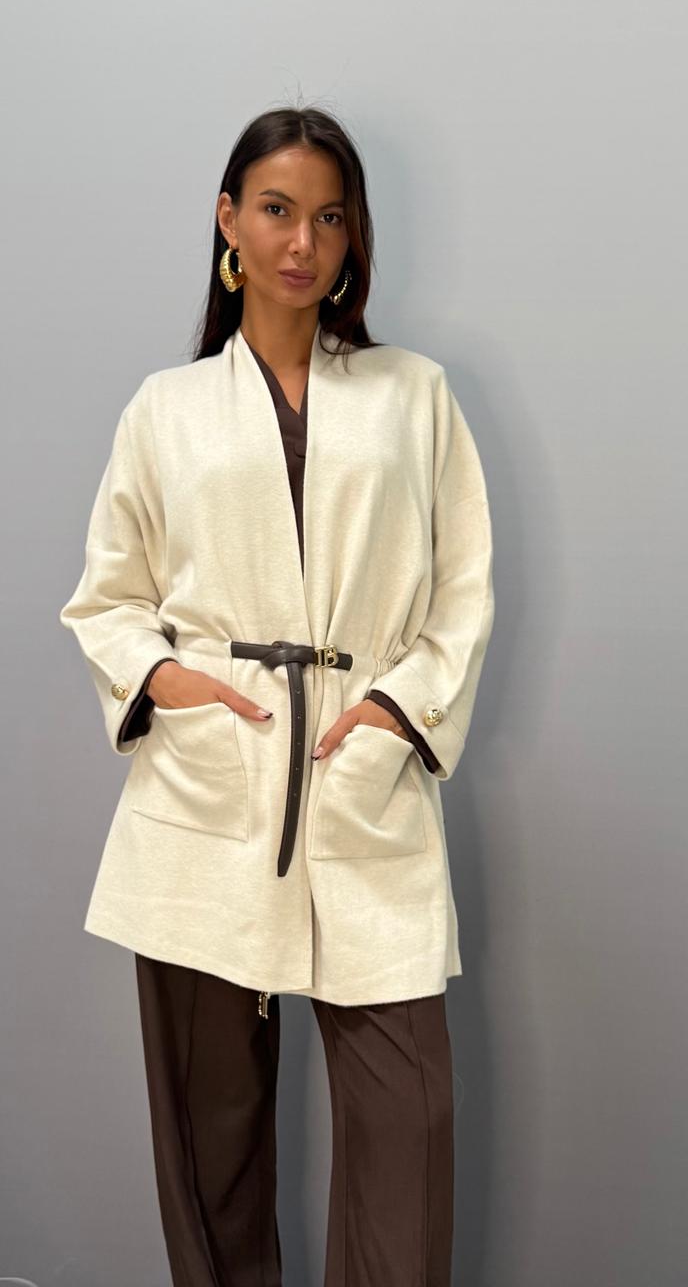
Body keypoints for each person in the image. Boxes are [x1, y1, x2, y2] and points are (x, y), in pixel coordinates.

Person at [59, 104, 496, 1286]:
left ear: (353, 238)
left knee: (406, 1136)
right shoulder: (165, 408)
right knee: (213, 1161)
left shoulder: (414, 395)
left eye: (330, 216)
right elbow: (108, 597)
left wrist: (396, 713)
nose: (303, 240)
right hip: (207, 796)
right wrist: (169, 682)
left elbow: (462, 592)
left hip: (362, 786)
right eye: (276, 209)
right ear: (229, 221)